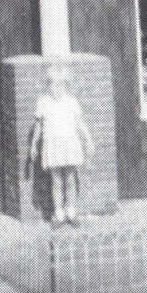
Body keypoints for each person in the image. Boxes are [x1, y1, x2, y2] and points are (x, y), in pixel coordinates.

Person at [28, 65, 93, 225]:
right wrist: (34, 145)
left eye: (61, 84)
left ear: (66, 85)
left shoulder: (71, 102)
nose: (57, 88)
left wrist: (88, 140)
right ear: (48, 85)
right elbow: (39, 126)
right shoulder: (43, 102)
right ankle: (59, 213)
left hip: (69, 143)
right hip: (52, 144)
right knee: (56, 180)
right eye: (53, 84)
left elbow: (79, 124)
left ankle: (71, 211)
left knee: (70, 179)